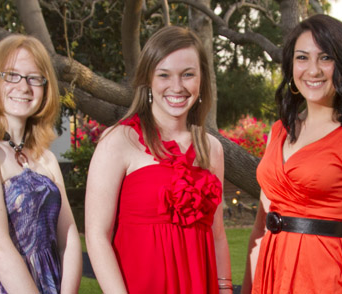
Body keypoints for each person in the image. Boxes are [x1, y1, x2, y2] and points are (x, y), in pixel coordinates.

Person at [241, 14, 342, 294]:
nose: (313, 70)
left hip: (324, 276)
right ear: (291, 66)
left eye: (325, 58)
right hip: (270, 273)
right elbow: (261, 227)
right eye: (302, 58)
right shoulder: (278, 131)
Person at [85, 25, 232, 294]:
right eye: (164, 75)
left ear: (201, 79)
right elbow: (96, 236)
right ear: (148, 79)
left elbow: (218, 233)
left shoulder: (212, 149)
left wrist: (225, 289)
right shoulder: (118, 141)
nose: (177, 87)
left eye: (188, 74)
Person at [0, 35, 82, 293]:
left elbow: (68, 240)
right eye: (11, 75)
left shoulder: (46, 158)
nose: (24, 87)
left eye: (34, 78)